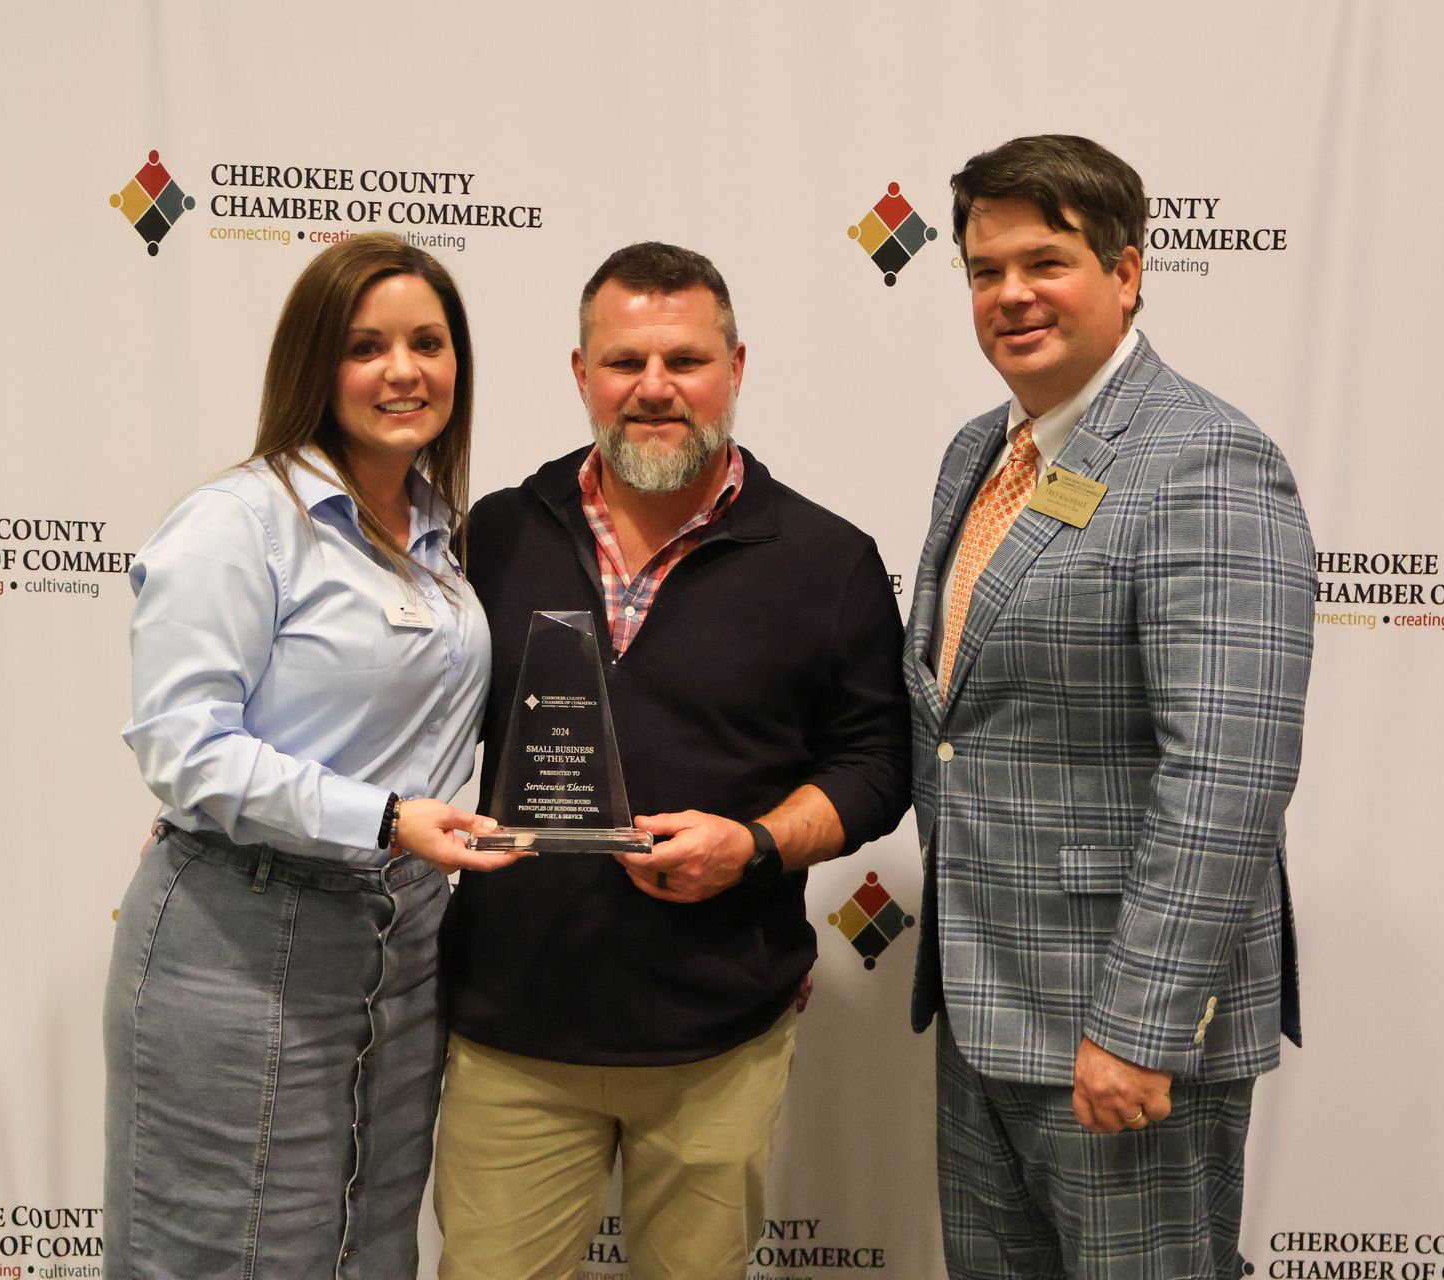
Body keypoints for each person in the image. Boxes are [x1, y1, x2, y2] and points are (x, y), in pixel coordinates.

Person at [434, 242, 911, 1280]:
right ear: (579, 374)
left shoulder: (829, 561)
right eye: (624, 362)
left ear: (737, 367)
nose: (654, 388)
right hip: (514, 1030)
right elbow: (406, 723)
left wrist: (751, 844)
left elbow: (876, 764)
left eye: (685, 360)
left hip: (717, 1038)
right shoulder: (493, 537)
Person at [905, 135, 1316, 1279]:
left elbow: (1227, 775)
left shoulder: (1208, 459)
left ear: (1127, 272)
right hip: (984, 1008)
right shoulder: (976, 455)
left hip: (1125, 1038)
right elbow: (955, 720)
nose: (1011, 294)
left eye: (1046, 261)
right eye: (986, 270)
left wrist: (1139, 1024)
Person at [103, 232, 521, 1280]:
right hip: (243, 946)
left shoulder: (436, 531)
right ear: (313, 364)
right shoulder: (240, 523)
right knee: (219, 1253)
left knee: (364, 1249)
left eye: (429, 342)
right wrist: (383, 817)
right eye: (366, 345)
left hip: (401, 949)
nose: (404, 370)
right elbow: (182, 745)